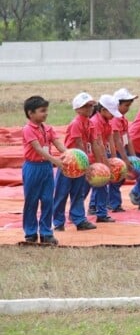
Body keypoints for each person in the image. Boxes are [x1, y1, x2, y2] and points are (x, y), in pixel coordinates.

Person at [21, 96, 65, 245]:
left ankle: (46, 233)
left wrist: (70, 156)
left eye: (46, 110)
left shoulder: (48, 128)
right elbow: (38, 149)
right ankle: (30, 233)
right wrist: (56, 161)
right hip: (33, 168)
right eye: (42, 111)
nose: (45, 114)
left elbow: (58, 143)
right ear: (30, 113)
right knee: (31, 200)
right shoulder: (28, 129)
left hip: (46, 168)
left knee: (47, 200)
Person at [52, 93, 98, 232]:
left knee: (79, 192)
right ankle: (58, 222)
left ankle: (79, 219)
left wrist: (91, 161)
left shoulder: (90, 123)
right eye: (86, 106)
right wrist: (86, 164)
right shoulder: (76, 123)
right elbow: (79, 145)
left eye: (91, 105)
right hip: (70, 162)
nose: (90, 108)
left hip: (81, 162)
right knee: (62, 193)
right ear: (77, 109)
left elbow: (93, 142)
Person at [86, 95, 120, 224]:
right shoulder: (95, 122)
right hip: (93, 159)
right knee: (84, 189)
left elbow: (110, 142)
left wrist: (114, 160)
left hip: (101, 158)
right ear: (103, 110)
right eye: (111, 112)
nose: (112, 115)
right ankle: (77, 213)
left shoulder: (107, 122)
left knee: (101, 187)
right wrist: (106, 165)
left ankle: (101, 213)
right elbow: (98, 144)